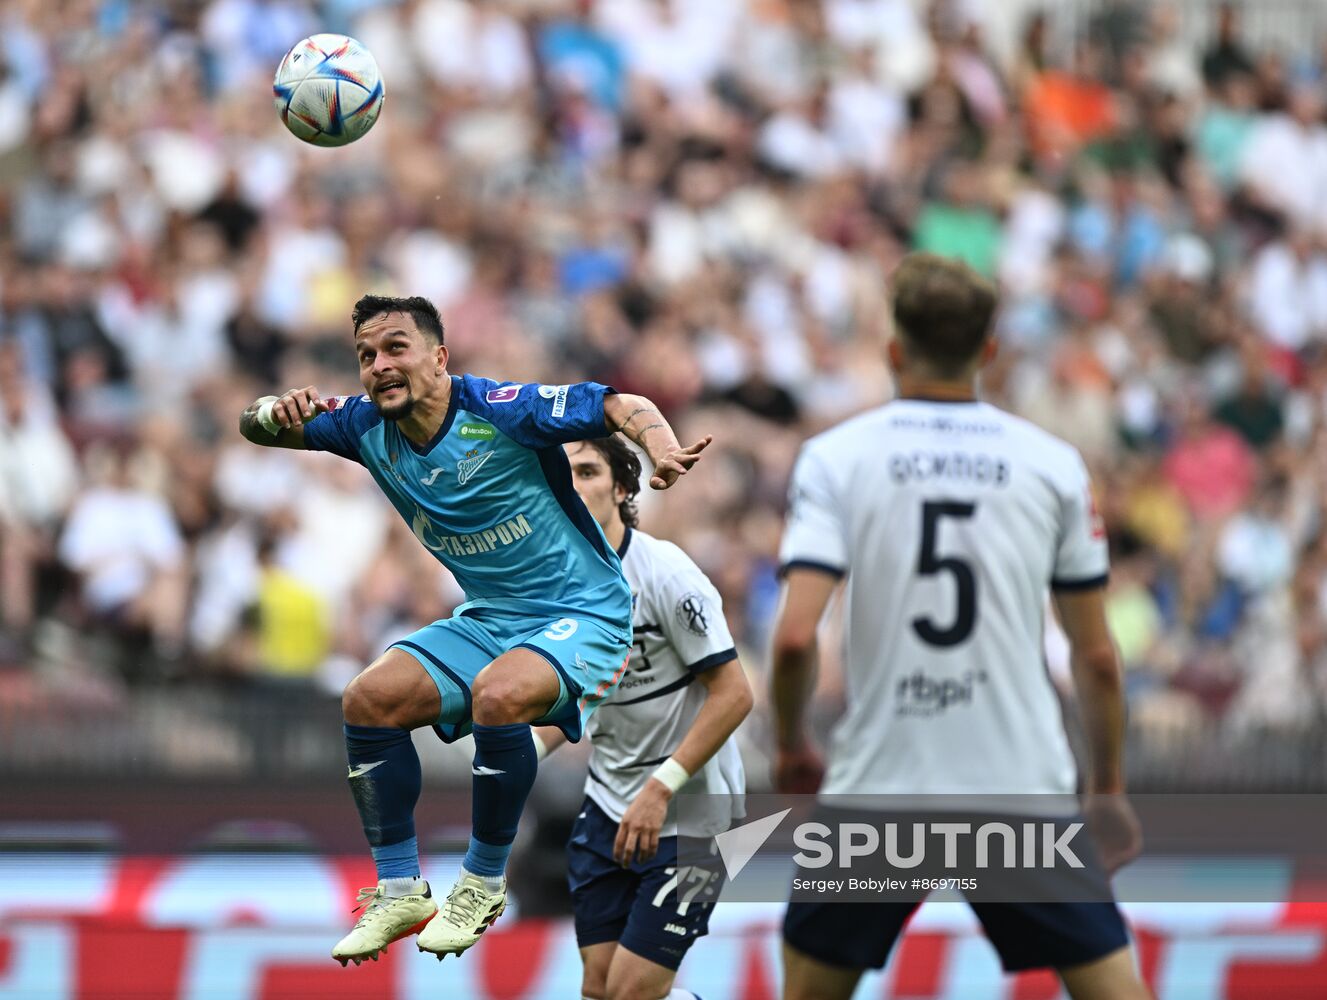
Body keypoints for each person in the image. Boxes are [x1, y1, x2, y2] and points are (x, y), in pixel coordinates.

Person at [238, 294, 710, 965]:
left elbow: (614, 404)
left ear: (439, 356)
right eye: (366, 355)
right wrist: (270, 411)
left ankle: (483, 882)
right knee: (367, 700)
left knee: (497, 694)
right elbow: (253, 428)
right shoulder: (363, 425)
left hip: (587, 614)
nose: (378, 365)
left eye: (395, 347)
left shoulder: (498, 408)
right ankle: (401, 886)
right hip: (491, 619)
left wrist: (659, 448)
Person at [770, 253, 1151, 1000]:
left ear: (891, 349)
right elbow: (1096, 658)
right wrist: (1104, 787)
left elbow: (791, 640)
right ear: (986, 352)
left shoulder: (836, 458)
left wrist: (790, 746)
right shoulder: (1050, 464)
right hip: (1016, 785)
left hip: (882, 786)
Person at [536, 435, 753, 1000]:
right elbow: (569, 702)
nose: (574, 485)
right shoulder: (551, 589)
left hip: (699, 817)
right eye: (564, 474)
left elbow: (734, 695)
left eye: (587, 472)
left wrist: (660, 789)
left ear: (623, 487)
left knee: (631, 994)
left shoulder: (666, 573)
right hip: (610, 805)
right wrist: (512, 756)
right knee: (598, 991)